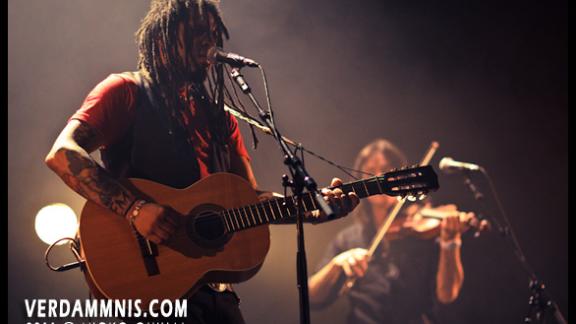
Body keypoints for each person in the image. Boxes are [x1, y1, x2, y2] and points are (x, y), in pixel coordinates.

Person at [44, 1, 359, 323]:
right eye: (196, 32)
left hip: (215, 293)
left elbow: (250, 201)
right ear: (162, 37)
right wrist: (134, 209)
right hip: (152, 289)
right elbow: (62, 154)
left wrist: (314, 207)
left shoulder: (220, 119)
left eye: (212, 34)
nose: (208, 42)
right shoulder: (126, 91)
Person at [309, 139, 481, 324]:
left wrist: (451, 242)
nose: (378, 176)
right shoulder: (348, 238)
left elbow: (447, 295)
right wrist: (337, 264)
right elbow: (312, 298)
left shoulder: (424, 231)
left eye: (386, 170)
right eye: (371, 170)